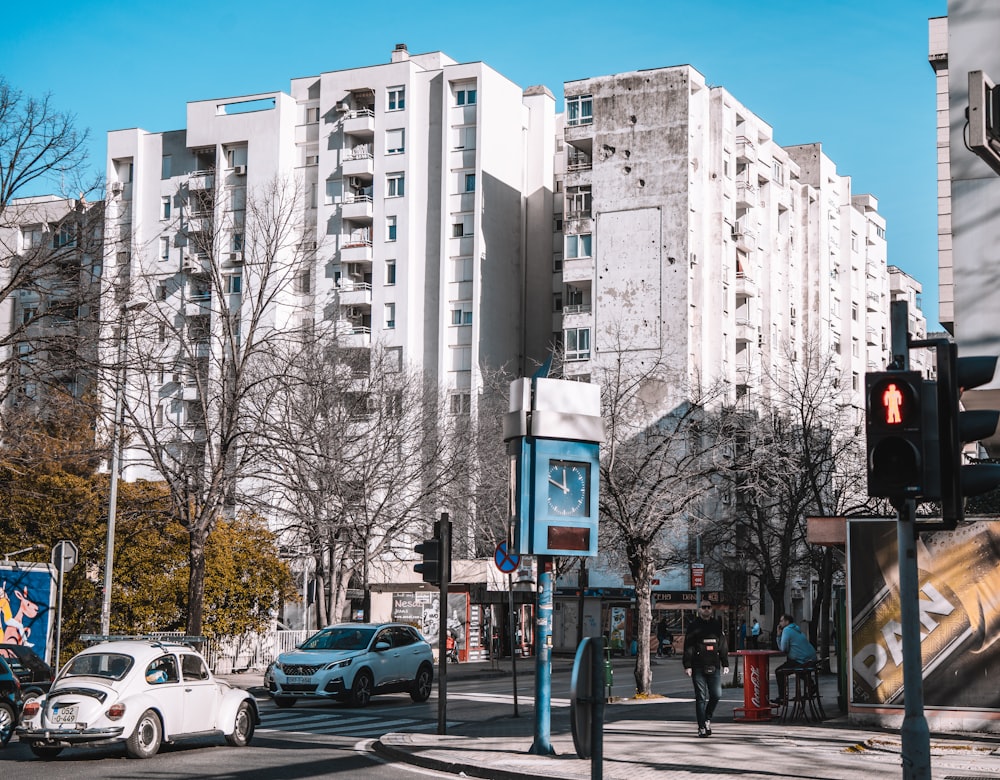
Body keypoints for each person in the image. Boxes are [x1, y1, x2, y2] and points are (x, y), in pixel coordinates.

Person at [683, 600, 729, 738]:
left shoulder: (716, 625)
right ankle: (701, 726)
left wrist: (725, 663)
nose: (707, 609)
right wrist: (687, 665)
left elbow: (722, 645)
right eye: (704, 607)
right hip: (698, 666)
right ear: (699, 609)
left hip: (714, 665)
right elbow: (688, 646)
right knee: (700, 697)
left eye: (709, 607)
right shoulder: (693, 626)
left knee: (716, 694)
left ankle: (707, 718)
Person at [772, 613, 818, 704]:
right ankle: (811, 685)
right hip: (811, 659)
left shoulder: (787, 630)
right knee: (795, 666)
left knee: (779, 671)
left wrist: (778, 636)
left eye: (781, 621)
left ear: (787, 622)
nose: (779, 623)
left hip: (802, 660)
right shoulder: (796, 629)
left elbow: (784, 649)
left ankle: (782, 697)